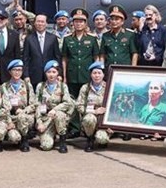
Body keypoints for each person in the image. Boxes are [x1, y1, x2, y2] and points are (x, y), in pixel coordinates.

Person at [62, 8, 99, 138]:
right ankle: (74, 128)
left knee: (88, 102)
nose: (78, 24)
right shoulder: (67, 39)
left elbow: (96, 59)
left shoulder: (92, 39)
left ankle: (87, 128)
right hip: (72, 75)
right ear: (72, 23)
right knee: (73, 102)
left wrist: (96, 76)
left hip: (86, 75)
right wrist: (65, 76)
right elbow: (65, 59)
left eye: (81, 21)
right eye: (76, 21)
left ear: (85, 23)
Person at [35, 60, 75, 153]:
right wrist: (39, 122)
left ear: (58, 73)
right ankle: (51, 134)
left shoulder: (62, 86)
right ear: (45, 73)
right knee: (46, 146)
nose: (51, 75)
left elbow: (67, 103)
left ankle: (62, 140)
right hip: (47, 119)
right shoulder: (40, 87)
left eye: (54, 72)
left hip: (59, 117)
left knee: (59, 115)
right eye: (49, 72)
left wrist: (55, 110)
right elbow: (37, 105)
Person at [2, 59, 36, 152]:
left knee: (22, 117)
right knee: (14, 138)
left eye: (20, 70)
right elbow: (5, 107)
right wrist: (9, 122)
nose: (17, 72)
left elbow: (34, 104)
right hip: (12, 117)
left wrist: (23, 111)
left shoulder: (27, 86)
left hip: (26, 117)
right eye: (15, 70)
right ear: (10, 71)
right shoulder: (4, 86)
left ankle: (25, 140)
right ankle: (16, 135)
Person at [76, 61, 110, 152]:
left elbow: (114, 106)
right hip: (90, 117)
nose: (97, 76)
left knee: (102, 140)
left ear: (103, 75)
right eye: (94, 73)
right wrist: (94, 112)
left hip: (103, 120)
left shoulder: (108, 87)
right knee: (89, 118)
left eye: (99, 73)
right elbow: (79, 106)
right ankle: (89, 139)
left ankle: (102, 136)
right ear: (91, 75)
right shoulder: (85, 88)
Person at [23, 14, 62, 90]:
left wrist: (59, 74)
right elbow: (25, 58)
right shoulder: (29, 38)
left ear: (46, 23)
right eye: (38, 21)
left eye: (42, 21)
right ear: (34, 23)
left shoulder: (53, 38)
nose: (40, 24)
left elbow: (57, 57)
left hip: (50, 75)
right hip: (34, 75)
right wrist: (26, 75)